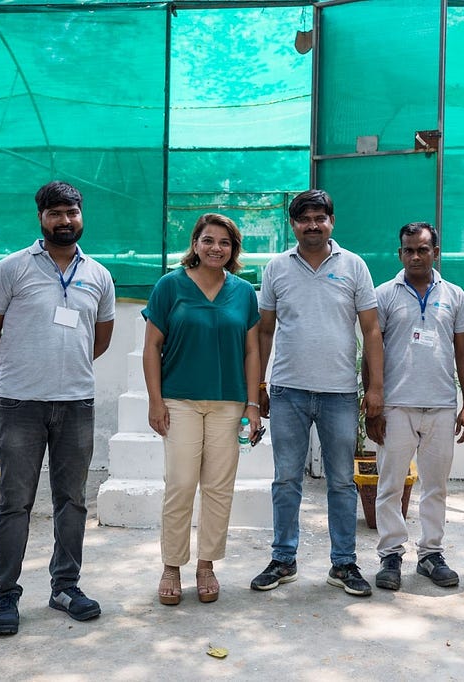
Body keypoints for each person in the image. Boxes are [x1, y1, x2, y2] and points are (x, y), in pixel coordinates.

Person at [0, 181, 115, 635]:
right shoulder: (10, 269)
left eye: (71, 212)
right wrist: (26, 366)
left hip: (76, 403)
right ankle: (5, 596)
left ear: (81, 215)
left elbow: (101, 337)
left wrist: (62, 369)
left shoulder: (98, 274)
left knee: (72, 500)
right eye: (55, 213)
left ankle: (65, 587)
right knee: (15, 502)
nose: (64, 220)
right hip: (21, 405)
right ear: (41, 218)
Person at [251, 189, 384, 597]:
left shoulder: (354, 266)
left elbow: (372, 329)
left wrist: (375, 386)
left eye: (320, 217)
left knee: (342, 482)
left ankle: (344, 564)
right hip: (287, 390)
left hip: (340, 393)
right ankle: (283, 560)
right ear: (293, 224)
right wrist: (258, 388)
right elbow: (265, 330)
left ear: (332, 221)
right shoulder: (276, 268)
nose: (312, 224)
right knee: (286, 479)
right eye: (304, 218)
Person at [142, 213, 261, 605]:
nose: (216, 248)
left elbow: (251, 350)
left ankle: (207, 564)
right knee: (179, 484)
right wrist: (155, 401)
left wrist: (253, 404)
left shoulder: (244, 292)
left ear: (234, 249)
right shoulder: (169, 286)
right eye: (208, 240)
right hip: (180, 401)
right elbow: (152, 347)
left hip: (229, 403)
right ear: (195, 244)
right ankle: (171, 565)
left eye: (224, 243)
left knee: (219, 488)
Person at [365, 222, 464, 591]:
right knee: (390, 484)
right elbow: (370, 350)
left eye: (422, 249)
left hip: (442, 405)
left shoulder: (455, 295)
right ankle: (390, 555)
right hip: (395, 405)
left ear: (435, 253)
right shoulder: (383, 295)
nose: (415, 256)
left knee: (436, 486)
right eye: (408, 249)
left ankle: (431, 554)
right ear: (400, 253)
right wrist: (372, 402)